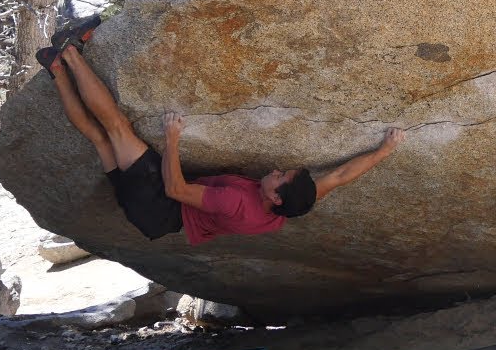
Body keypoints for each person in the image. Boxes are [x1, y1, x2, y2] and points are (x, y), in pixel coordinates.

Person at [36, 17, 404, 245]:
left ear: (275, 197)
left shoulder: (238, 205)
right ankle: (56, 68)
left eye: (280, 177)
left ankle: (70, 53)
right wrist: (383, 152)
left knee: (117, 128)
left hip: (160, 203)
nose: (277, 170)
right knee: (100, 139)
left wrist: (172, 139)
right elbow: (339, 177)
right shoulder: (291, 203)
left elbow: (176, 190)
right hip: (152, 217)